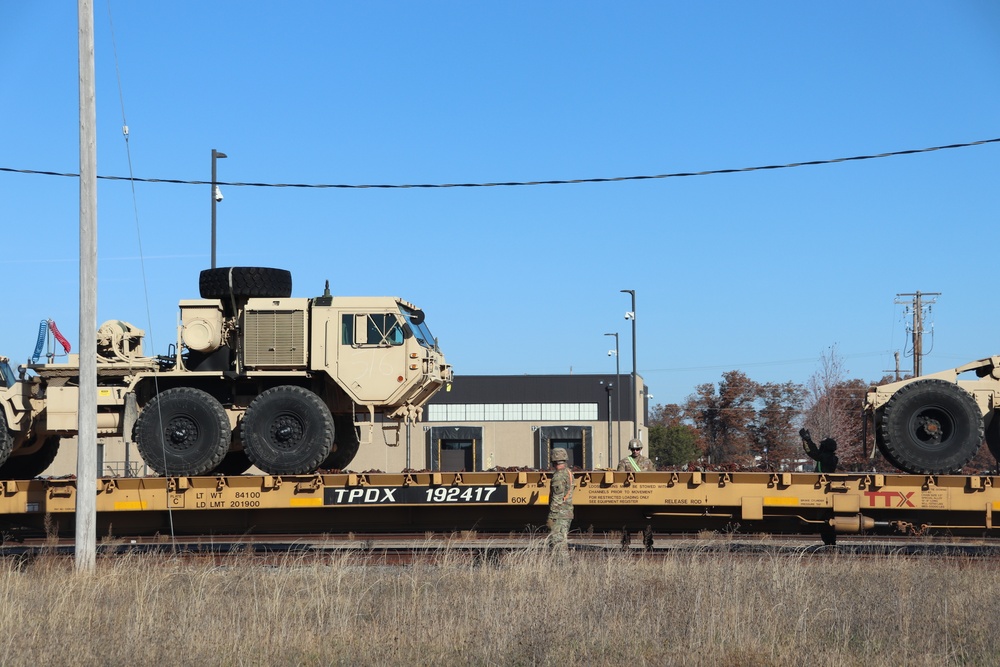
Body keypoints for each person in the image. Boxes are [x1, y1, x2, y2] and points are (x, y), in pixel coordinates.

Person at [546, 447, 574, 556]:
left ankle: (562, 568)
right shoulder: (569, 473)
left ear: (553, 460)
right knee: (561, 542)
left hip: (559, 515)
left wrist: (552, 517)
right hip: (566, 513)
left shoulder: (559, 476)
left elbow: (557, 498)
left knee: (558, 544)